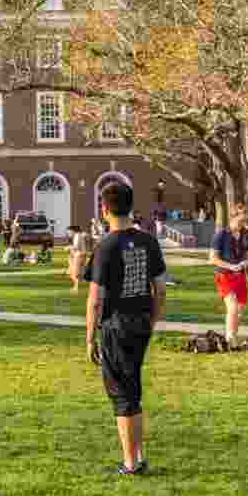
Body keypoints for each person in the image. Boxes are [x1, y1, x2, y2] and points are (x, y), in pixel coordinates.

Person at [85, 182, 167, 476]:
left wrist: (89, 338)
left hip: (115, 327)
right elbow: (160, 290)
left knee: (121, 394)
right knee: (132, 390)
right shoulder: (149, 242)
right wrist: (152, 321)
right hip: (141, 323)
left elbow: (95, 300)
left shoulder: (105, 246)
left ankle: (130, 463)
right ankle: (140, 455)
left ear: (104, 209)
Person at [210, 212, 248, 347]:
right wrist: (231, 266)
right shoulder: (221, 235)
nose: (242, 225)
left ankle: (233, 337)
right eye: (240, 222)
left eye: (244, 222)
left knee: (240, 311)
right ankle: (229, 339)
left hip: (240, 277)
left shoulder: (245, 236)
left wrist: (244, 265)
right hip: (224, 276)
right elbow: (213, 258)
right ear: (232, 219)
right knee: (233, 307)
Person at [67, 225, 89, 293]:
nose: (68, 233)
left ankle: (76, 288)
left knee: (75, 272)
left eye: (69, 232)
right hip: (82, 254)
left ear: (73, 231)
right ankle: (77, 286)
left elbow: (76, 246)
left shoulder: (77, 236)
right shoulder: (79, 235)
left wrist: (68, 247)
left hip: (79, 255)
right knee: (79, 271)